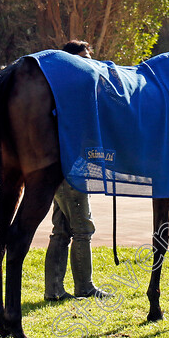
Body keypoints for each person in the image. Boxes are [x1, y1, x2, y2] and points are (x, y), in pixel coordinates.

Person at [45, 40, 110, 300]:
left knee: (61, 229)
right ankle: (84, 287)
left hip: (64, 168)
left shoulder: (65, 90)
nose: (88, 64)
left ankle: (54, 290)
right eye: (83, 58)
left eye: (89, 58)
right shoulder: (67, 94)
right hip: (68, 168)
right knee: (83, 229)